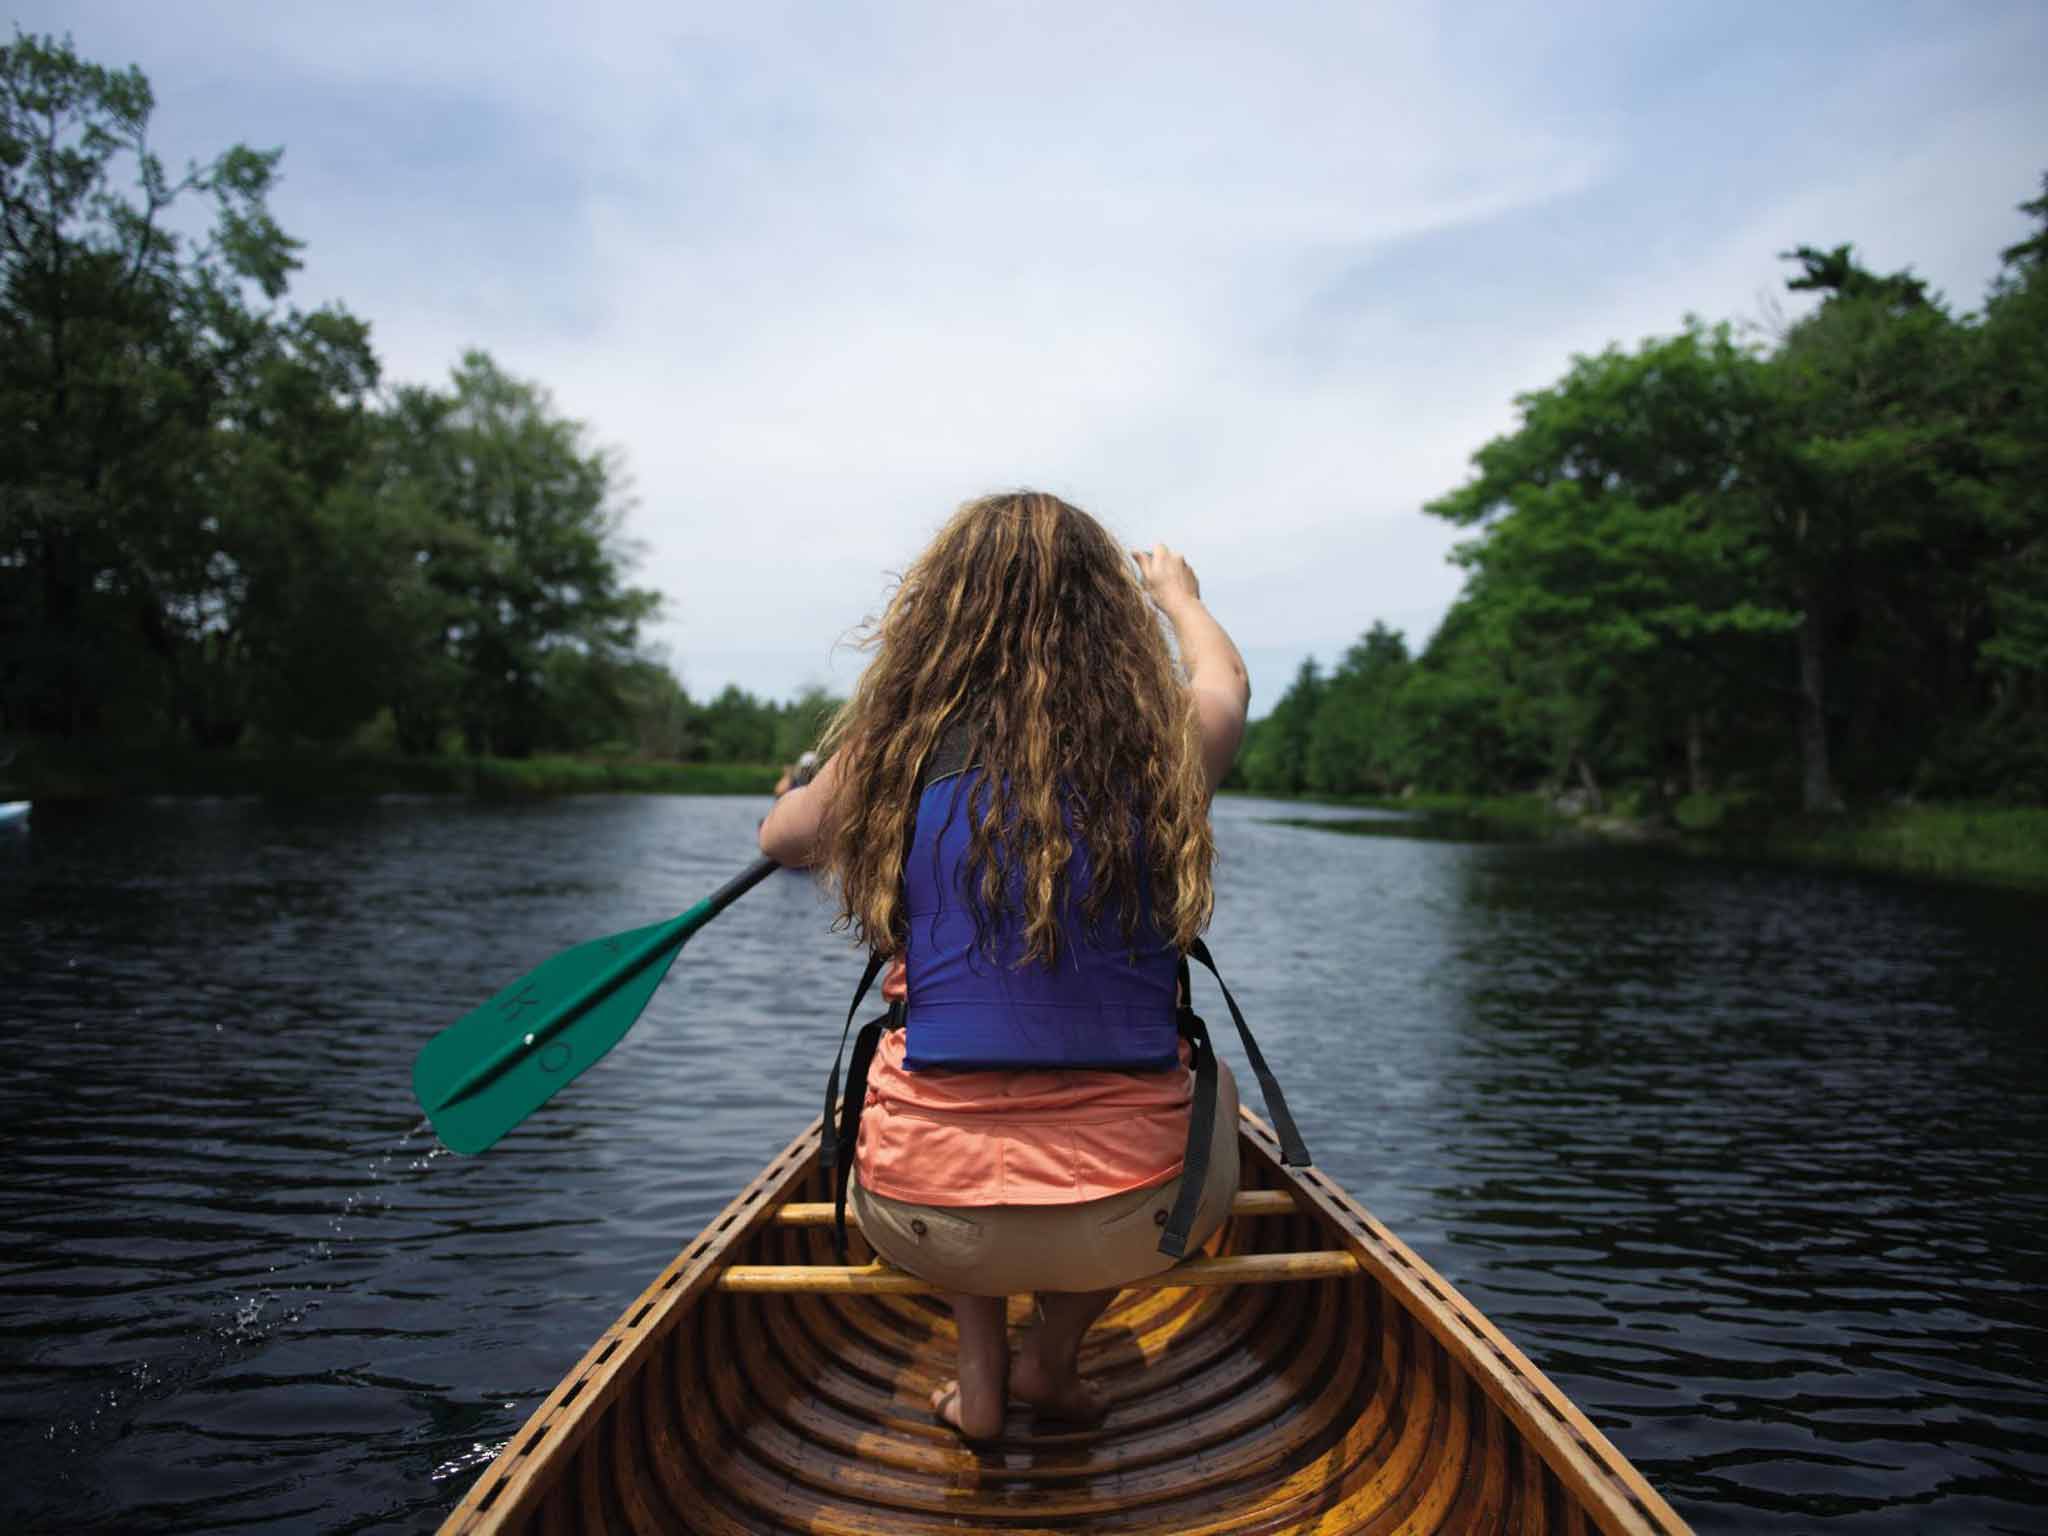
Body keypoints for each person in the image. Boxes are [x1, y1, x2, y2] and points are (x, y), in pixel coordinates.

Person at [758, 490, 1253, 1444]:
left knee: (944, 1118)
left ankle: (979, 1384)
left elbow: (782, 838)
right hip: (1139, 1212)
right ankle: (1051, 1364)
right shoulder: (1168, 751)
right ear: (1105, 618)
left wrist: (824, 786)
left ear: (938, 612)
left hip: (917, 1212)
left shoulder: (890, 757)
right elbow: (1225, 681)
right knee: (1213, 1093)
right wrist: (1180, 598)